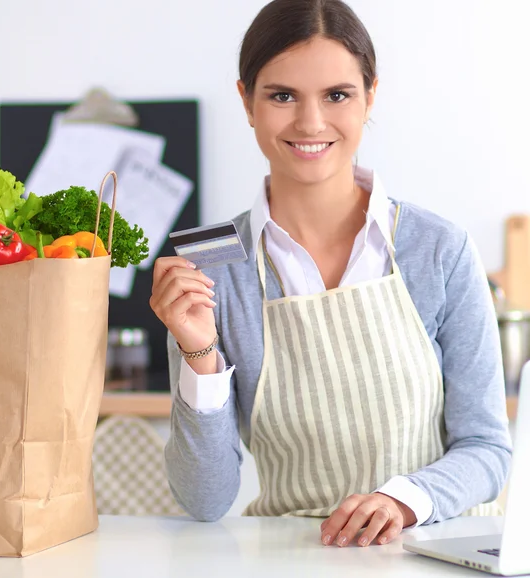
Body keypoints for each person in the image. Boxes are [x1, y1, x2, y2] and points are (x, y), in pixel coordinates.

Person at [149, 0, 512, 548]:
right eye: (281, 96)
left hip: (435, 549)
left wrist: (402, 500)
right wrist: (199, 352)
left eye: (337, 95)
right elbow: (204, 500)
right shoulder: (211, 266)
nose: (310, 122)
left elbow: (488, 448)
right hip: (293, 555)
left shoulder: (438, 248)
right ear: (246, 101)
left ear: (370, 96)